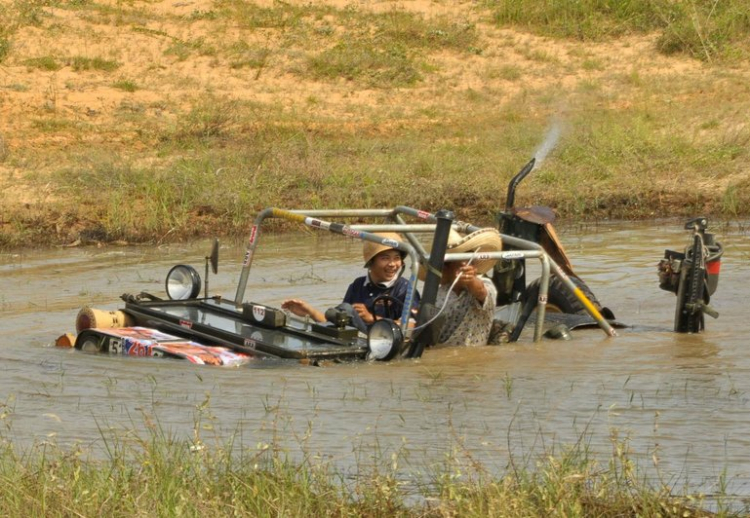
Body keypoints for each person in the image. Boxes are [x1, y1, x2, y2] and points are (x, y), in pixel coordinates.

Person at [281, 232, 420, 332]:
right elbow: (339, 324)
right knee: (343, 311)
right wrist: (310, 312)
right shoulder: (358, 285)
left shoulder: (406, 288)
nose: (392, 264)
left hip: (386, 344)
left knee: (347, 309)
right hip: (360, 341)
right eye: (385, 258)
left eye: (396, 258)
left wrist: (371, 318)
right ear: (371, 263)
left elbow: (412, 327)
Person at [432, 228, 503, 347]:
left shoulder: (486, 285)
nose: (464, 268)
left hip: (474, 352)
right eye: (458, 265)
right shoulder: (438, 293)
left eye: (470, 264)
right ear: (447, 269)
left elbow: (481, 292)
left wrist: (471, 280)